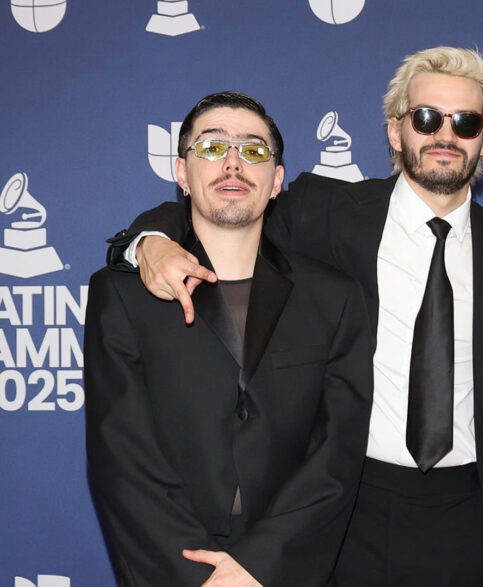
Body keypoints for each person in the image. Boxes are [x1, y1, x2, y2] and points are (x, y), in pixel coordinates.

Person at [105, 48, 483, 586]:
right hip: (345, 515)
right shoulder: (324, 209)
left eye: (465, 122)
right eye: (426, 117)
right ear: (396, 132)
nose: (444, 134)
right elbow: (223, 203)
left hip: (464, 516)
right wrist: (149, 241)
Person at [85, 91, 373, 586]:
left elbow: (337, 454)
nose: (234, 163)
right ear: (182, 172)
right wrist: (198, 576)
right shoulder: (122, 295)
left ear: (277, 179)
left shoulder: (335, 297)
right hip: (171, 568)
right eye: (213, 147)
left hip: (288, 566)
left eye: (254, 150)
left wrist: (258, 565)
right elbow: (122, 459)